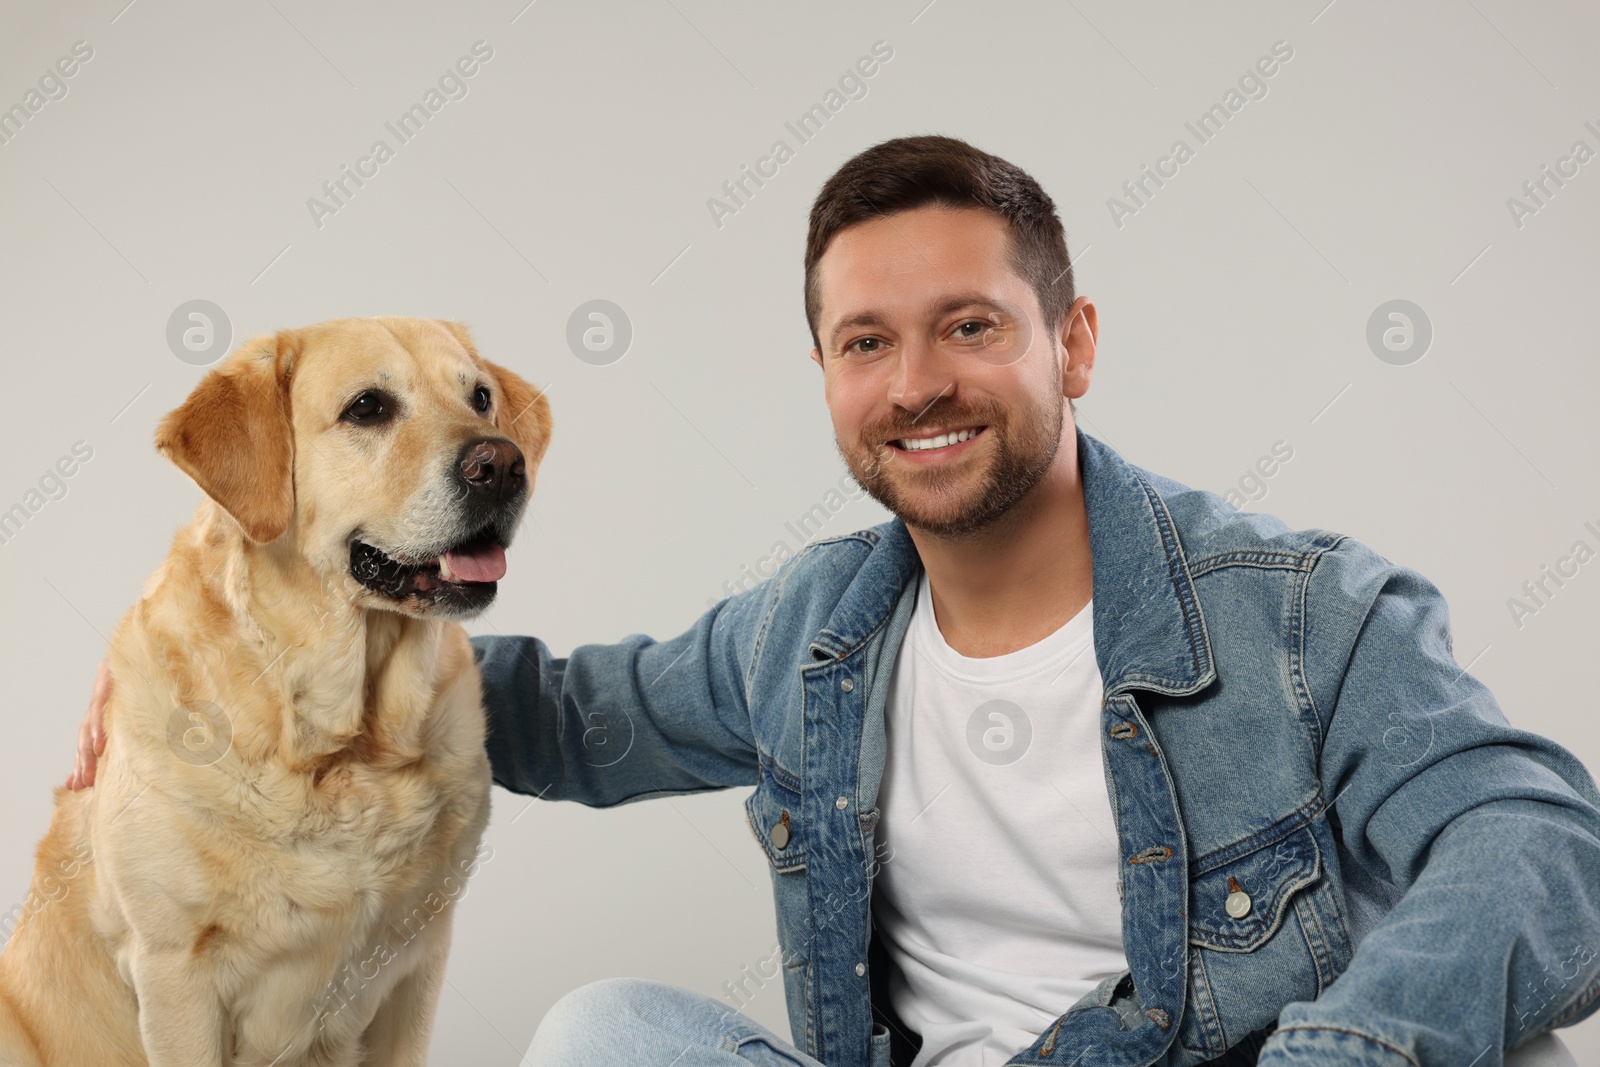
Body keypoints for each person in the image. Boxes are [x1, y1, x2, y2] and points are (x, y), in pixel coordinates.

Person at [67, 136, 1597, 1067]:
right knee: (605, 1037)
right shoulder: (812, 633)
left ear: (1072, 343)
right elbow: (571, 713)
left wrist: (1352, 1049)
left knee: (1512, 1051)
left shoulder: (1299, 613)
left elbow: (1538, 842)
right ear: (827, 378)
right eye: (866, 343)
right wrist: (219, 701)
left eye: (970, 326)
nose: (917, 382)